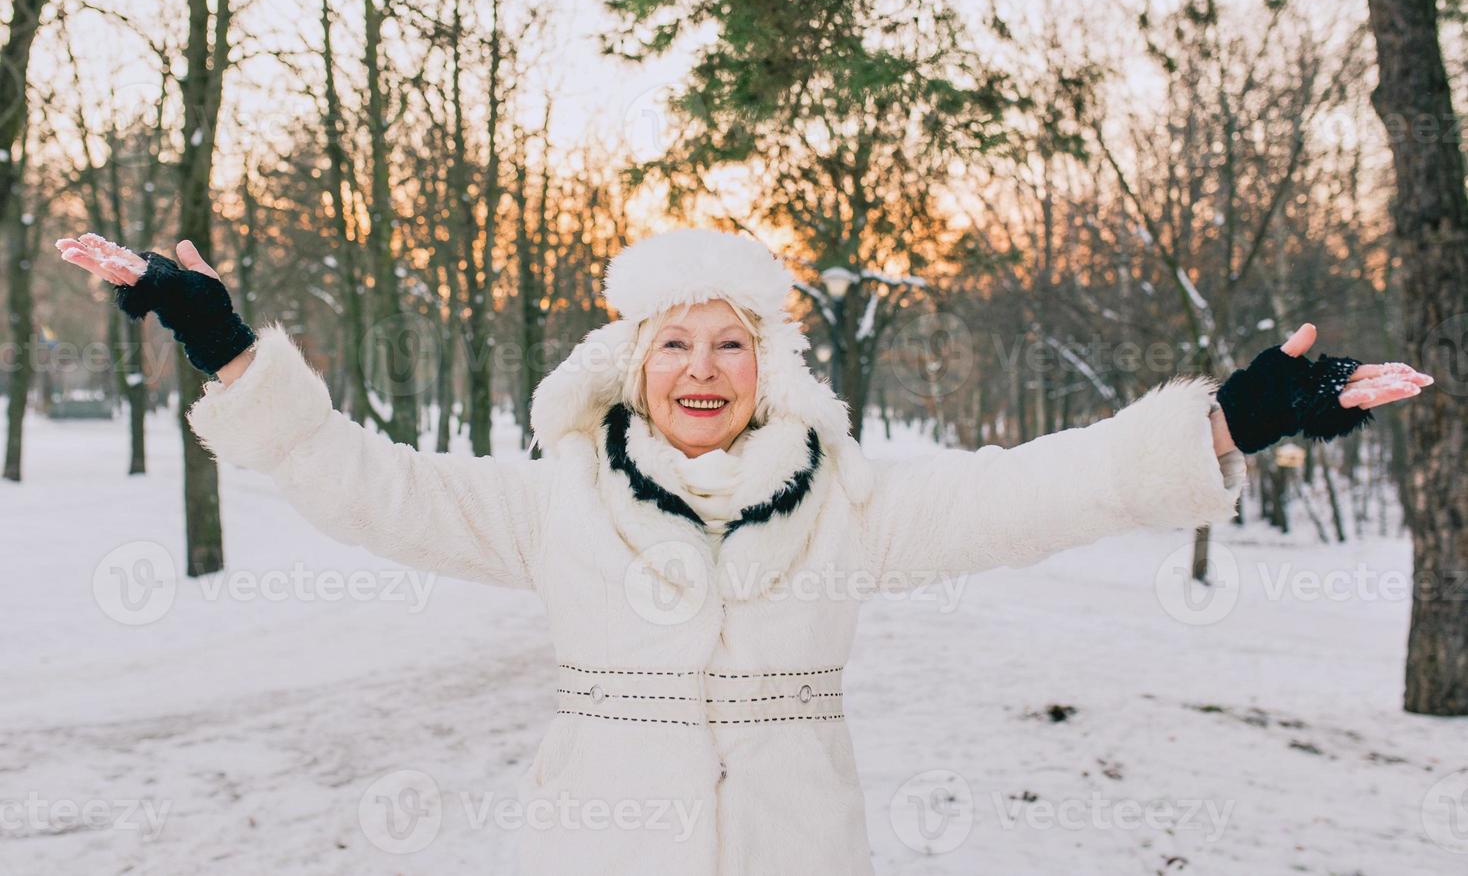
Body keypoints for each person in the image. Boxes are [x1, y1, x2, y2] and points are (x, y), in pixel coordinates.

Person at [56, 228, 1431, 874]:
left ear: (764, 371)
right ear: (631, 362)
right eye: (676, 342)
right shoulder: (558, 500)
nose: (702, 369)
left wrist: (1231, 420)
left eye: (731, 344)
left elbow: (1040, 490)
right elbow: (364, 483)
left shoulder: (849, 506)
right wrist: (228, 346)